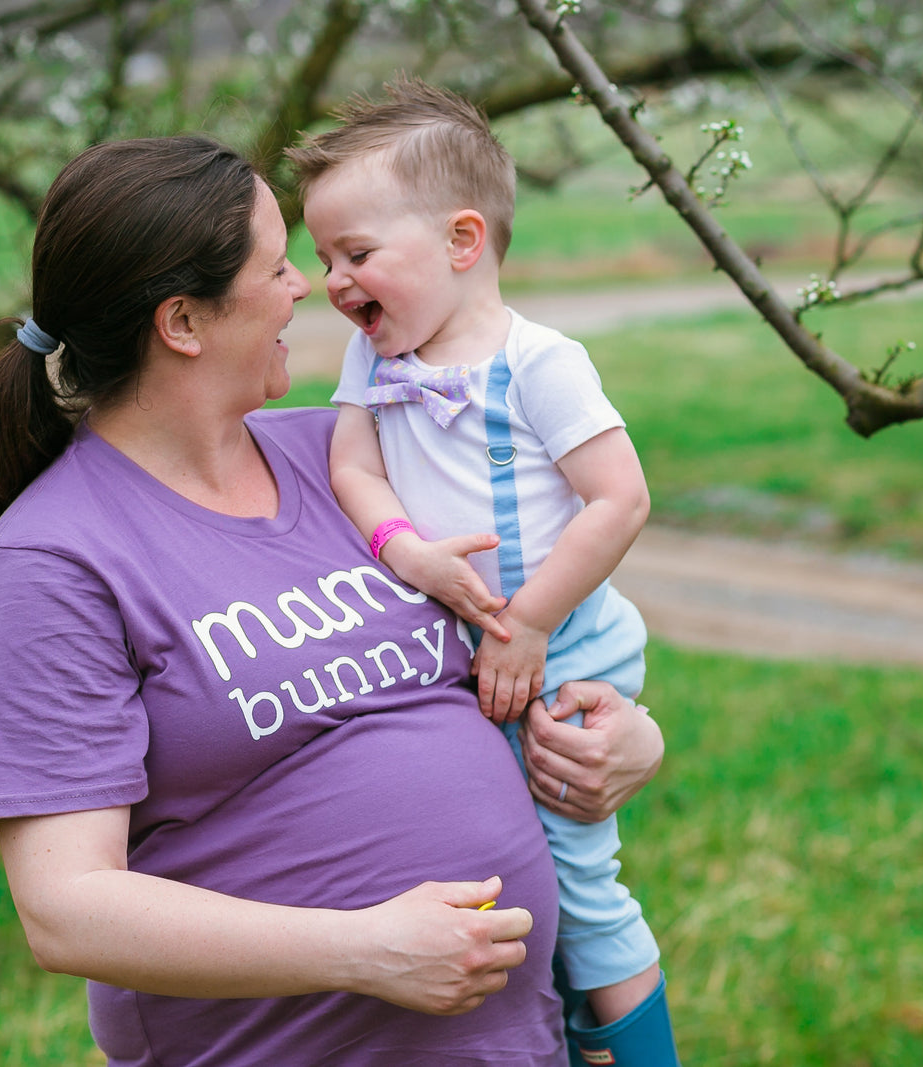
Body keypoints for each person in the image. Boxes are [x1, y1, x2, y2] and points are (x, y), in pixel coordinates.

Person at [0, 133, 666, 1067]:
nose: (306, 288)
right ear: (183, 322)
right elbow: (66, 909)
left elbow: (527, 630)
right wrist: (365, 949)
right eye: (278, 264)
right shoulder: (51, 563)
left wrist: (625, 740)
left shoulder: (345, 460)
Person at [288, 78, 680, 1065]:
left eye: (357, 254)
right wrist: (404, 548)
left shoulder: (540, 362)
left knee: (576, 879)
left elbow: (619, 498)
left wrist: (532, 621)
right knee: (501, 865)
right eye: (324, 258)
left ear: (462, 240)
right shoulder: (374, 362)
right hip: (466, 648)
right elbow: (353, 468)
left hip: (557, 643)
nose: (334, 281)